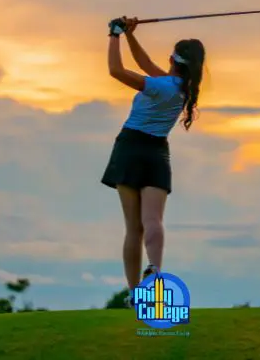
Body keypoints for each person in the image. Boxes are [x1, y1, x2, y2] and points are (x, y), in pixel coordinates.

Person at [101, 15, 206, 308]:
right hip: (158, 153)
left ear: (172, 58)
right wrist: (131, 35)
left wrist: (114, 34)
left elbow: (115, 70)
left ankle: (135, 292)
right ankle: (155, 268)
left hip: (130, 147)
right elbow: (145, 64)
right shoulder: (182, 90)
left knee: (133, 227)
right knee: (153, 220)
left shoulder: (159, 87)